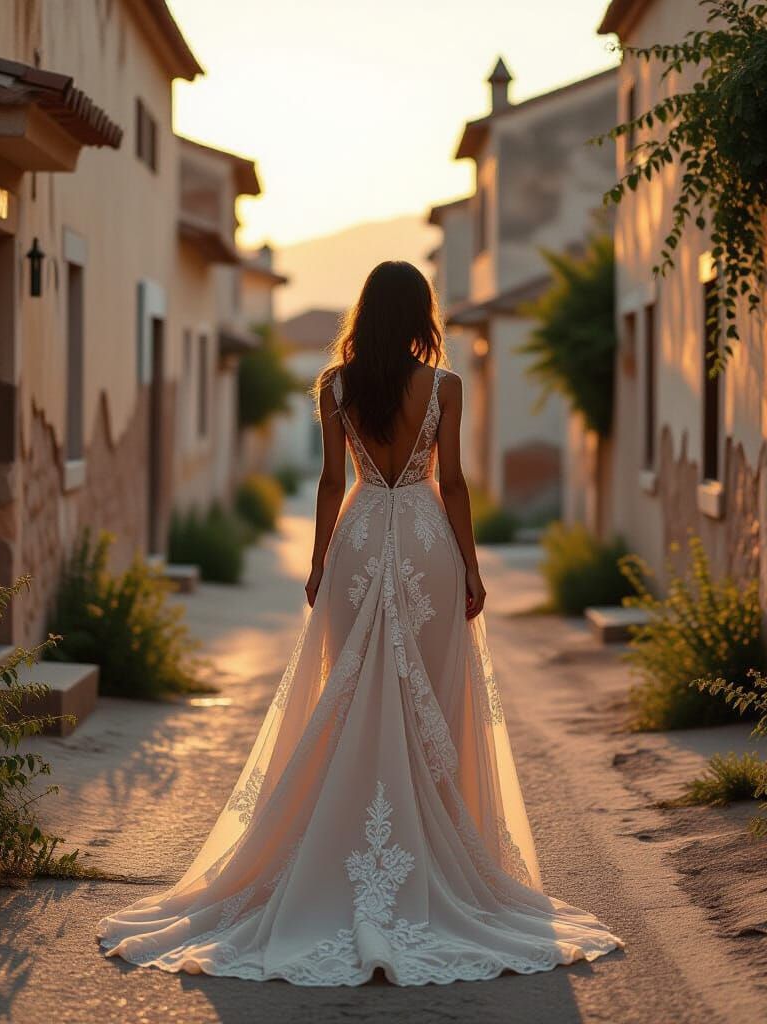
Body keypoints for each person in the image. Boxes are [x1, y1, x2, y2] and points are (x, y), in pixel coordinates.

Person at [97, 261, 622, 984]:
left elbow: (330, 483)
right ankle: (432, 867)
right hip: (428, 547)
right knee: (427, 705)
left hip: (360, 542)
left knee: (347, 703)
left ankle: (339, 860)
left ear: (365, 313)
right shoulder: (445, 387)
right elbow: (457, 483)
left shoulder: (335, 386)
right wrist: (471, 567)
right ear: (419, 317)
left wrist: (319, 564)